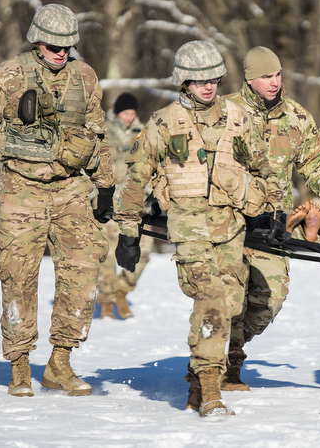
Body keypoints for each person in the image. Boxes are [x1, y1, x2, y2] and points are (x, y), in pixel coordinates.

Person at [113, 40, 282, 417]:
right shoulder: (162, 122)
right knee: (211, 302)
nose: (207, 86)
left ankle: (195, 382)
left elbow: (264, 170)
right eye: (198, 80)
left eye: (213, 79)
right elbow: (136, 179)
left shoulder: (241, 119)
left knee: (233, 305)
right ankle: (211, 393)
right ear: (183, 82)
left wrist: (267, 207)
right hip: (189, 228)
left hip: (232, 229)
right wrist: (128, 232)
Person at [0, 4, 114, 398]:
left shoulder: (85, 76)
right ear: (37, 39)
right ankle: (20, 363)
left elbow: (98, 132)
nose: (61, 52)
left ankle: (60, 362)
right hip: (22, 188)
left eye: (67, 45)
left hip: (71, 188)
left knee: (83, 270)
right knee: (17, 274)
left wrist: (105, 185)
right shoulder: (9, 74)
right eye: (53, 44)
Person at [223, 46, 320, 391]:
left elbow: (316, 162)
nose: (275, 82)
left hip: (273, 223)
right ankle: (224, 368)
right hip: (228, 221)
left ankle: (221, 353)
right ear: (250, 79)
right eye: (267, 76)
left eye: (278, 75)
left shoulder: (295, 116)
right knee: (230, 295)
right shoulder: (224, 112)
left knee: (269, 300)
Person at [96, 92, 153, 319]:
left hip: (137, 201)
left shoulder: (145, 133)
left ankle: (123, 289)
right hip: (107, 201)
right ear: (117, 112)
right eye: (125, 113)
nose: (129, 117)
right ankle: (107, 302)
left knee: (143, 252)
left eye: (132, 113)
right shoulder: (101, 131)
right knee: (107, 255)